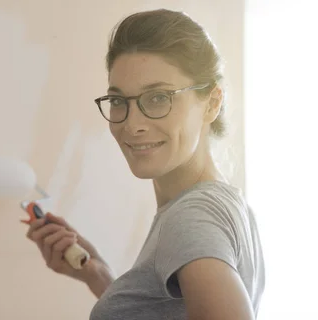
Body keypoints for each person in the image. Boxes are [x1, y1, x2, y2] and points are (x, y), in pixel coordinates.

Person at [25, 8, 265, 320]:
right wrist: (101, 278)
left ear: (212, 103)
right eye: (118, 101)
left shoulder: (192, 216)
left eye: (157, 98)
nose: (132, 125)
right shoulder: (225, 205)